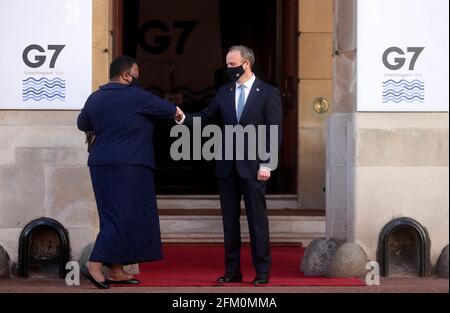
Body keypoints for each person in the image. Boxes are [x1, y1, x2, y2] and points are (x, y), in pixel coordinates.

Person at [176, 45, 282, 285]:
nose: (228, 68)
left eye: (233, 64)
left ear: (247, 63)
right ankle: (233, 271)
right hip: (226, 167)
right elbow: (206, 117)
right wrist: (183, 118)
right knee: (229, 223)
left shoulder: (267, 92)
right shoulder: (224, 92)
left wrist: (267, 163)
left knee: (257, 221)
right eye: (227, 64)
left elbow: (273, 131)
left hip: (255, 167)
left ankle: (262, 271)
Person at [77, 55, 182, 289]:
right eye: (136, 75)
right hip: (129, 165)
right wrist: (181, 115)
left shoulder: (95, 97)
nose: (138, 80)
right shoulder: (135, 96)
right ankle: (94, 264)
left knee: (113, 215)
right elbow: (169, 108)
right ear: (126, 75)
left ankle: (116, 270)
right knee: (124, 216)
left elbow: (82, 123)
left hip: (101, 164)